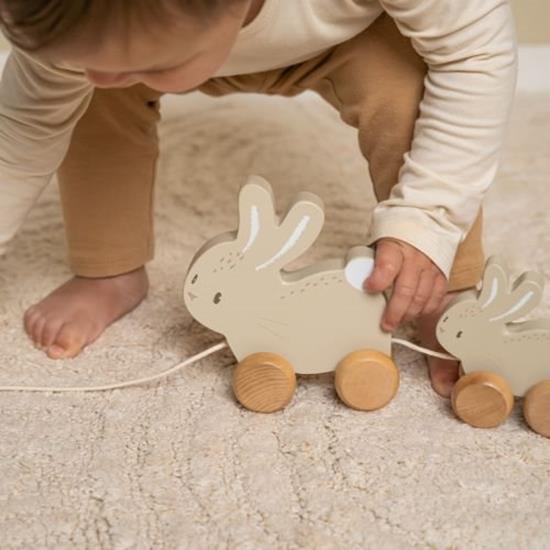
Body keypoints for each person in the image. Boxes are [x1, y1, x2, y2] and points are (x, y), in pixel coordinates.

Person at [0, 0, 517, 396]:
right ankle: (108, 270)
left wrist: (426, 220)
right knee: (92, 98)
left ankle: (442, 289)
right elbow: (19, 140)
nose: (99, 75)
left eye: (147, 63)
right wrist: (93, 61)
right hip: (144, 34)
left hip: (350, 36)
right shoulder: (87, 34)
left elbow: (474, 57)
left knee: (408, 92)